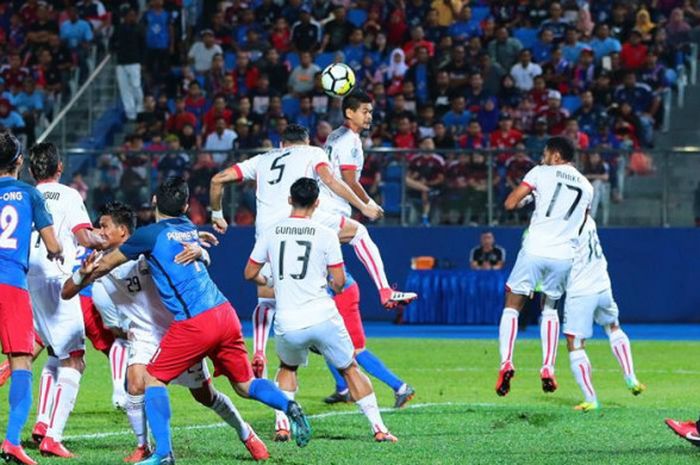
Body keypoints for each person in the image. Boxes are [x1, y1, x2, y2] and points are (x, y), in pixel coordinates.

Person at [67, 177, 313, 464]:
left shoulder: (148, 236)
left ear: (155, 201)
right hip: (226, 314)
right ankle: (288, 405)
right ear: (185, 206)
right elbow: (185, 246)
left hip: (194, 322)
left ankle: (163, 454)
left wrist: (85, 270)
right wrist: (201, 246)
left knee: (153, 379)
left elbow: (108, 264)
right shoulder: (187, 228)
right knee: (245, 385)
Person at [208, 124, 389, 378]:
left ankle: (259, 350)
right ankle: (384, 289)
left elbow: (218, 179)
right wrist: (364, 205)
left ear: (281, 144)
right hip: (301, 221)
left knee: (266, 294)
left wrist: (217, 214)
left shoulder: (262, 159)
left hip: (270, 234)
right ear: (306, 141)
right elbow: (329, 180)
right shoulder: (313, 152)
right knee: (358, 232)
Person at [244, 177, 398, 443]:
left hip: (288, 320)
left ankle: (283, 425)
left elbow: (249, 273)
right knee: (350, 368)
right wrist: (331, 285)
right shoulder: (326, 234)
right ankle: (379, 429)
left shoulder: (271, 231)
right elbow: (338, 282)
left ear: (290, 200)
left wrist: (268, 281)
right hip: (323, 316)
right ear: (317, 203)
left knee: (288, 368)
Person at [494, 136, 593, 397]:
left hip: (536, 248)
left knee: (512, 305)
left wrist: (529, 200)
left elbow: (510, 203)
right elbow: (582, 224)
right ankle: (548, 366)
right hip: (564, 255)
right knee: (549, 308)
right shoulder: (587, 186)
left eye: (546, 153)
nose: (542, 158)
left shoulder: (541, 172)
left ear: (557, 157)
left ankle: (506, 362)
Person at [26, 143, 106, 458]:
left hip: (28, 280)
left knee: (54, 352)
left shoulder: (26, 194)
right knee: (75, 357)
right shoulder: (70, 195)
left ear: (32, 171)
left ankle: (43, 423)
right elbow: (85, 236)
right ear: (60, 167)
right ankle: (53, 438)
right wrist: (111, 240)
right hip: (58, 279)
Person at [0, 133, 63, 465]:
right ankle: (12, 442)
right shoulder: (29, 194)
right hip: (10, 284)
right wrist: (59, 251)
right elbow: (53, 246)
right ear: (19, 161)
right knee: (21, 362)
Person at [563, 215, 645, 412]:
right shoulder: (588, 218)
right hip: (602, 283)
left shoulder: (565, 227)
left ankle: (590, 399)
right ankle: (631, 377)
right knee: (613, 326)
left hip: (581, 290)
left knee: (575, 344)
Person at [111, 7, 144, 121]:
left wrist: (142, 61)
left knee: (136, 85)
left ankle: (140, 107)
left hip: (134, 61)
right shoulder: (119, 28)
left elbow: (143, 45)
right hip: (121, 62)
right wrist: (115, 49)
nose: (132, 17)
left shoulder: (139, 28)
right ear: (124, 17)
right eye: (130, 15)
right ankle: (130, 114)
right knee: (124, 89)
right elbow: (112, 42)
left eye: (134, 15)